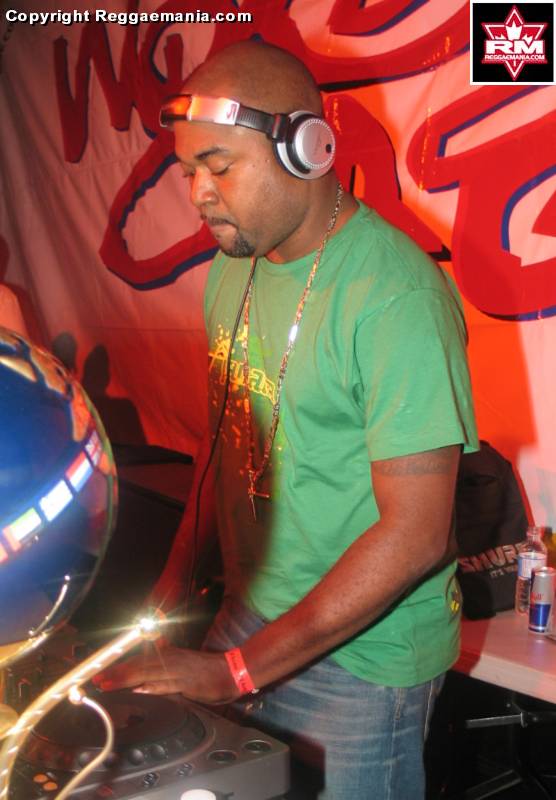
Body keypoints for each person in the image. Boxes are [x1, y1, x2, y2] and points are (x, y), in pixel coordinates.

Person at [96, 41, 478, 799]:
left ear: (308, 148)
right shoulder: (232, 268)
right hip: (251, 617)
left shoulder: (396, 297)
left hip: (363, 661)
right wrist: (171, 589)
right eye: (188, 171)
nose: (199, 193)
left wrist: (235, 671)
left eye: (219, 166)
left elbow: (416, 535)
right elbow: (220, 446)